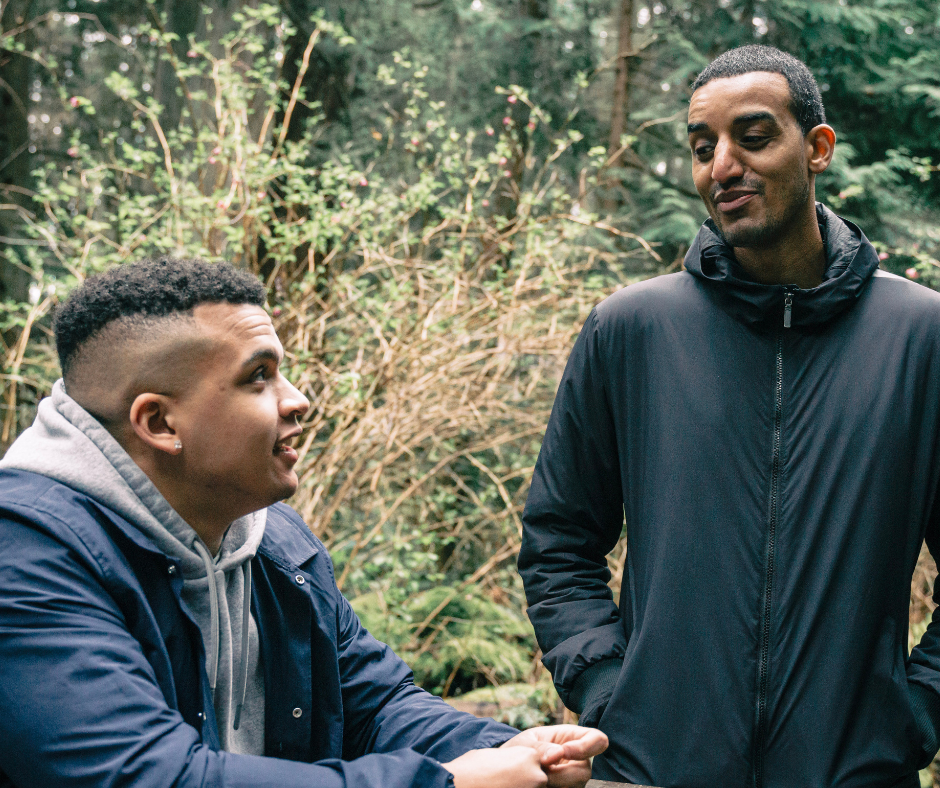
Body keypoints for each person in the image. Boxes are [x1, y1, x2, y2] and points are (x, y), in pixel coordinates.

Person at [0, 257, 607, 788]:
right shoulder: (26, 556)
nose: (298, 400)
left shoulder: (278, 545)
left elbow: (374, 703)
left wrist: (499, 751)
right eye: (258, 376)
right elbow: (145, 775)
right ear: (159, 424)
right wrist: (443, 783)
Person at [518, 44, 940, 788]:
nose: (722, 168)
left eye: (752, 138)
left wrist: (916, 710)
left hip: (854, 773)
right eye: (701, 147)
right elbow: (558, 541)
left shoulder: (920, 338)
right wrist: (613, 695)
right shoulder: (631, 330)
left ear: (817, 149)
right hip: (655, 771)